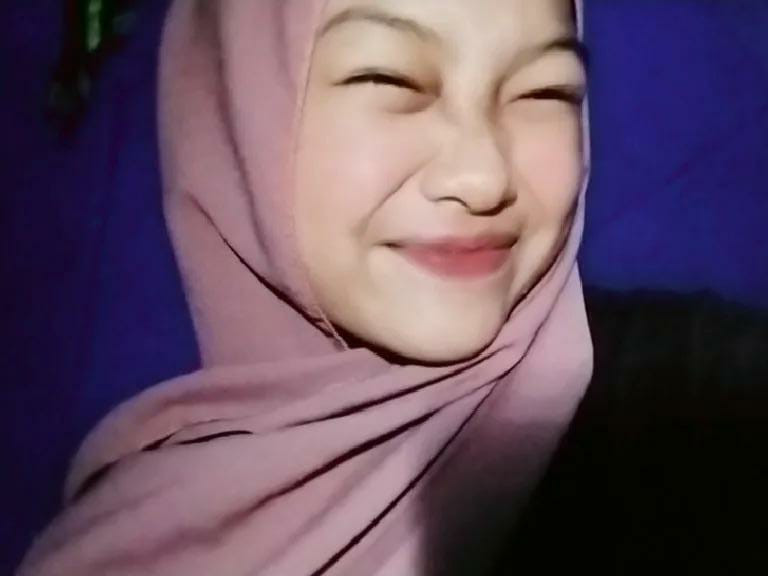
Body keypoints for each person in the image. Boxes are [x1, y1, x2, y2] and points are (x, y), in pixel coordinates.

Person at [17, 0, 768, 574]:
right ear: (231, 108)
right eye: (391, 79)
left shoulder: (691, 425)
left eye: (544, 91)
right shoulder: (130, 528)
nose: (483, 176)